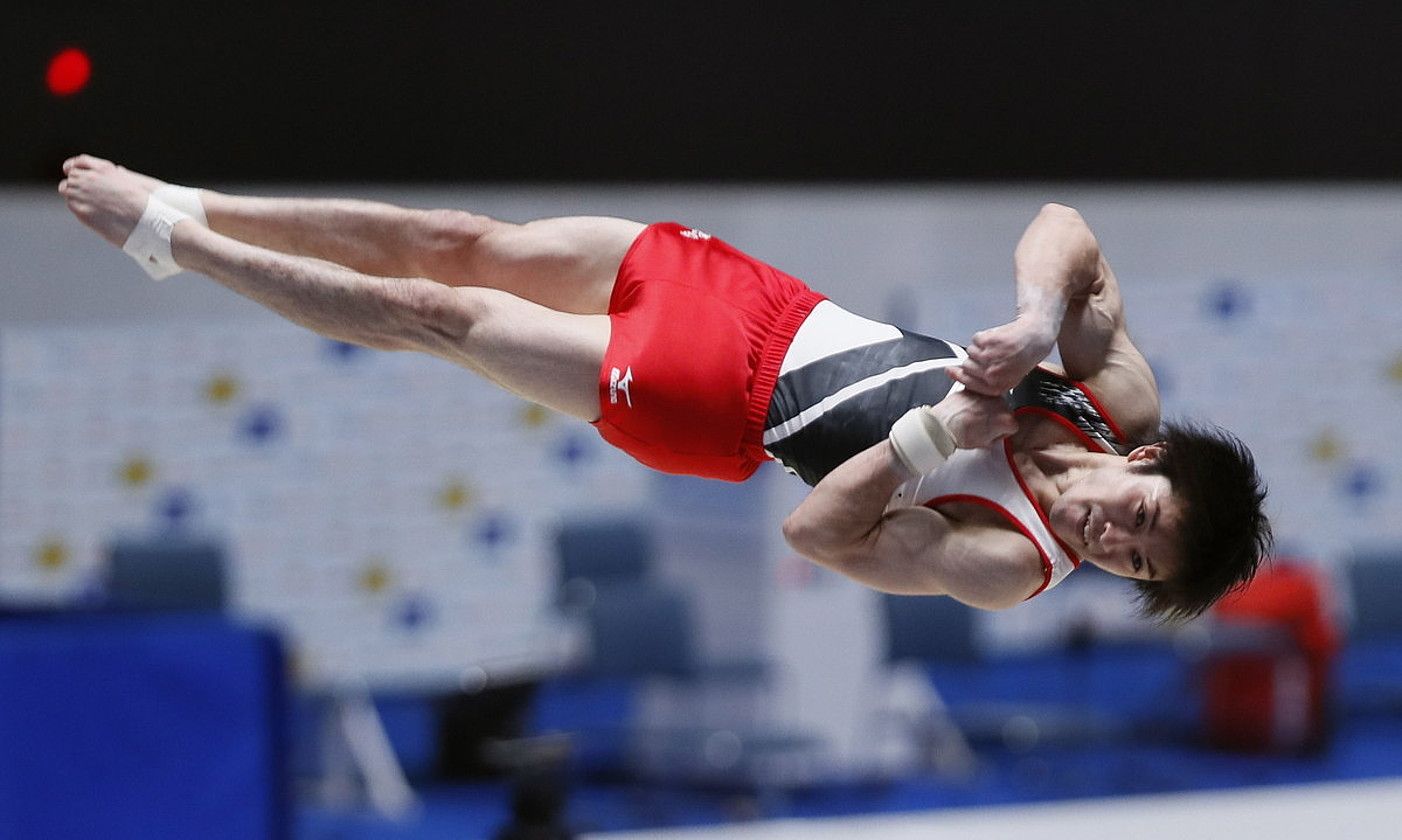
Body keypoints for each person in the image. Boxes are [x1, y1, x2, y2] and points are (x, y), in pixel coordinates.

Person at [58, 155, 1270, 620]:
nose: (1110, 542)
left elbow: (816, 534)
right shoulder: (1118, 400)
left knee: (445, 317)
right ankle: (194, 202)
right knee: (453, 237)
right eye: (1142, 525)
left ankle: (178, 247)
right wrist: (1030, 321)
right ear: (1148, 465)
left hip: (718, 408)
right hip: (759, 299)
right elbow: (1067, 225)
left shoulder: (1009, 566)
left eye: (1132, 568)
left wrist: (926, 440)